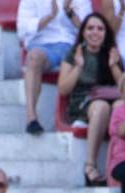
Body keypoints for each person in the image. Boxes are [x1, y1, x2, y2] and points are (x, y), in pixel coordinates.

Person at [59, 12, 122, 185]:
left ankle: (117, 165)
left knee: (121, 105)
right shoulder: (74, 53)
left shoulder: (111, 53)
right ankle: (90, 166)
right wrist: (78, 66)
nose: (95, 32)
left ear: (105, 33)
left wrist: (114, 65)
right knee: (101, 106)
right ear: (83, 32)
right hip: (82, 105)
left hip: (108, 100)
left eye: (100, 29)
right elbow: (63, 89)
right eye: (90, 28)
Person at [18, 0, 92, 133]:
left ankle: (79, 115)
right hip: (42, 44)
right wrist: (49, 17)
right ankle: (31, 118)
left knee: (85, 59)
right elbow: (22, 29)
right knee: (33, 58)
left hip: (71, 44)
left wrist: (70, 13)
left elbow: (89, 31)